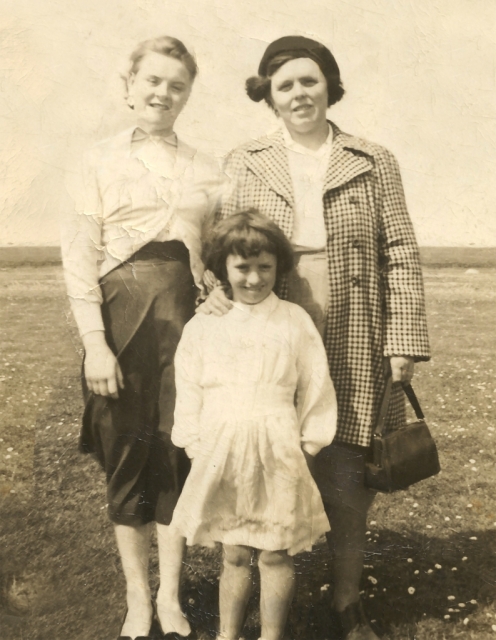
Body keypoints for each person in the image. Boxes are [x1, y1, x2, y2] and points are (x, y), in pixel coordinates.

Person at [202, 36, 430, 640]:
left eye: (310, 80)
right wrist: (216, 289)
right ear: (268, 96)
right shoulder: (244, 158)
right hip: (269, 307)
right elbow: (221, 244)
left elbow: (401, 250)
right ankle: (255, 581)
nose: (299, 93)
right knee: (266, 441)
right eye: (285, 85)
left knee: (348, 455)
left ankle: (345, 599)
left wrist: (403, 336)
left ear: (329, 83)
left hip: (355, 310)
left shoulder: (372, 157)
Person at [61, 36, 222, 639]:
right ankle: (136, 600)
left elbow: (214, 253)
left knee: (177, 449)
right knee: (127, 452)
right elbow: (78, 258)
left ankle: (172, 597)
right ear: (129, 86)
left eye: (177, 85)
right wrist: (95, 343)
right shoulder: (95, 159)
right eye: (152, 81)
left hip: (186, 322)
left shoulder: (208, 167)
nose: (163, 93)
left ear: (188, 95)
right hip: (119, 316)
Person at [170, 210, 337, 640]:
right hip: (223, 452)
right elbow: (189, 386)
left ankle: (271, 635)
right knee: (235, 552)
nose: (254, 279)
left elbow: (316, 385)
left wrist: (310, 445)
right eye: (242, 268)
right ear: (223, 267)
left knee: (276, 554)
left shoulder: (294, 320)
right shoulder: (205, 324)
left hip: (279, 450)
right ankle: (228, 634)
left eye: (265, 267)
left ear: (279, 266)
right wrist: (194, 445)